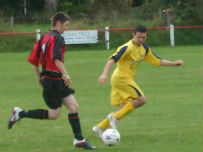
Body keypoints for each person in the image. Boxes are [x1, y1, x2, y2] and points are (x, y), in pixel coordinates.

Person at [8, 12, 96, 150]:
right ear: (59, 23)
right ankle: (20, 113)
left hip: (53, 80)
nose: (66, 28)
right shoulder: (58, 38)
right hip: (53, 81)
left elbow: (34, 61)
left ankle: (79, 139)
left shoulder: (44, 38)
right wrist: (66, 74)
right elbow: (56, 59)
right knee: (54, 114)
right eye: (66, 25)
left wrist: (39, 77)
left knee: (74, 106)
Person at [92, 25, 184, 137]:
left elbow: (157, 60)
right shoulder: (127, 47)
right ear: (133, 35)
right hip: (121, 78)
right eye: (138, 37)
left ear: (146, 37)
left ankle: (100, 127)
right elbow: (113, 59)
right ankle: (114, 118)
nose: (140, 40)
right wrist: (104, 73)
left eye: (143, 37)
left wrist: (174, 63)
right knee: (141, 99)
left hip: (124, 79)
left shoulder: (144, 48)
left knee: (124, 108)